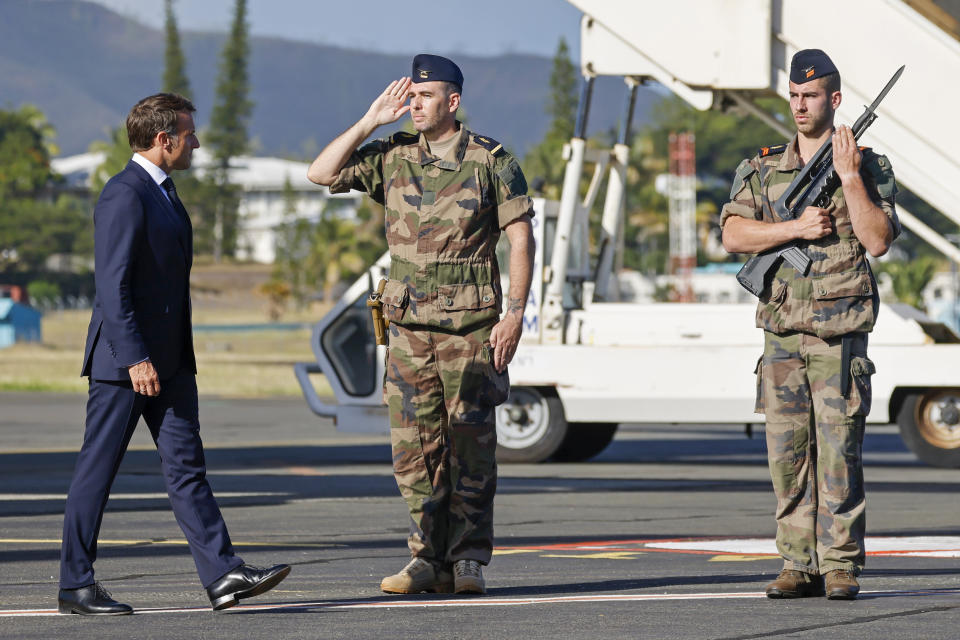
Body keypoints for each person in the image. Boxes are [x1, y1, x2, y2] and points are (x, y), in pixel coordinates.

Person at [307, 54, 535, 595]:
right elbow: (321, 173)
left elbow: (520, 237)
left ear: (452, 102)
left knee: (470, 449)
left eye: (425, 96)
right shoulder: (393, 156)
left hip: (471, 332)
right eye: (411, 96)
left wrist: (517, 313)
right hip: (409, 330)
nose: (414, 105)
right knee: (414, 451)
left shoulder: (490, 161)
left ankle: (468, 560)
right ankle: (425, 559)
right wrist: (370, 121)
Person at [58, 94, 290, 615]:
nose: (197, 142)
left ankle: (224, 575)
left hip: (172, 362)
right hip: (126, 364)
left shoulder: (163, 191)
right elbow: (112, 287)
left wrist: (168, 359)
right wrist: (136, 357)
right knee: (98, 471)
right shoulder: (125, 194)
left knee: (187, 468)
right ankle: (75, 584)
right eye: (189, 134)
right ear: (164, 140)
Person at [721, 49, 900, 600]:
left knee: (839, 450)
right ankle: (797, 562)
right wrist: (793, 228)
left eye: (812, 96)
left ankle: (840, 563)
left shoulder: (869, 167)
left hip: (837, 334)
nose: (800, 105)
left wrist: (848, 178)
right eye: (794, 97)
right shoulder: (761, 168)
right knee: (787, 454)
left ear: (835, 100)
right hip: (781, 334)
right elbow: (733, 235)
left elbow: (876, 240)